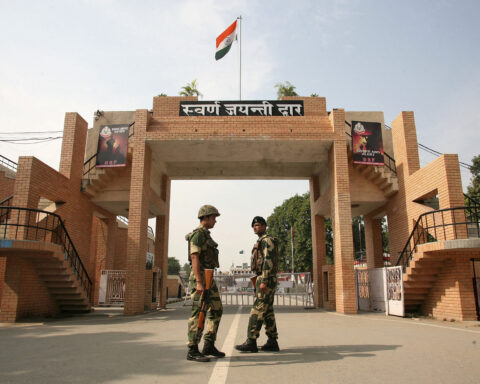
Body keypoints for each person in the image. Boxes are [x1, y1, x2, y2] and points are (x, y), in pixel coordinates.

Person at [185, 205, 224, 362]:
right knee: (198, 311)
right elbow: (194, 257)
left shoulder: (206, 235)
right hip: (200, 278)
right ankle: (192, 349)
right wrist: (199, 283)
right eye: (213, 217)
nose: (215, 220)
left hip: (208, 277)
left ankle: (209, 343)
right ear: (206, 218)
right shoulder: (198, 235)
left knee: (216, 309)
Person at [235, 216, 280, 353]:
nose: (256, 227)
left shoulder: (267, 240)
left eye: (259, 225)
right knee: (267, 311)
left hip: (266, 277)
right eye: (254, 225)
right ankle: (272, 341)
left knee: (258, 308)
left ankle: (251, 340)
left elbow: (268, 260)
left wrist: (264, 280)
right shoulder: (261, 241)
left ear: (265, 226)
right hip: (262, 277)